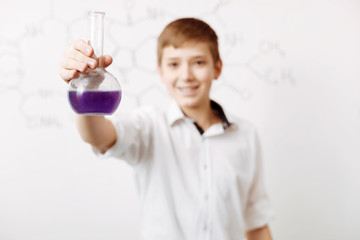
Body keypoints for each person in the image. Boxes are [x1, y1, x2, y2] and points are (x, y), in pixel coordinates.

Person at [59, 17, 274, 240]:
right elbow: (98, 137)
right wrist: (83, 83)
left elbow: (256, 223)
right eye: (173, 64)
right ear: (161, 72)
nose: (186, 75)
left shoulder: (245, 135)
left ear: (217, 68)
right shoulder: (149, 127)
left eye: (198, 62)